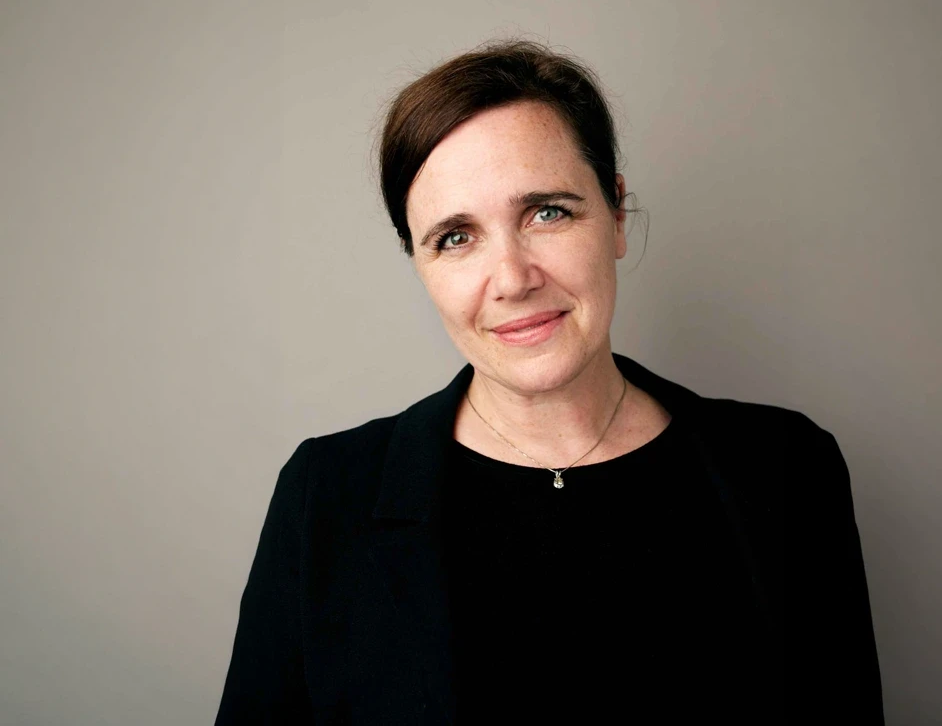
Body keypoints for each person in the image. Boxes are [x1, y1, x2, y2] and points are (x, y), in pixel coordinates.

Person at [215, 39, 884, 724]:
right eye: (455, 236)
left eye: (546, 212)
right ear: (417, 262)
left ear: (616, 215)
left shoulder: (785, 467)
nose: (511, 279)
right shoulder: (325, 495)